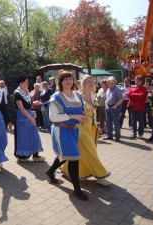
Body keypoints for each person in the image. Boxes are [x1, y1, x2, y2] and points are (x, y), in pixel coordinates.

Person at [46, 70, 88, 201]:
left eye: (70, 79)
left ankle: (50, 171)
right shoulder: (56, 97)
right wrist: (73, 116)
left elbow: (80, 110)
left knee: (65, 156)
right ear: (61, 82)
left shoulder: (77, 95)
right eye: (66, 79)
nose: (69, 81)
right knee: (74, 158)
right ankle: (77, 190)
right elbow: (52, 117)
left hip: (74, 130)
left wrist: (82, 116)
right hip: (62, 130)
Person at [62, 75, 111, 186]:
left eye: (92, 81)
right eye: (88, 81)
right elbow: (69, 110)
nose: (91, 83)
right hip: (80, 127)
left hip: (91, 127)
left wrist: (98, 125)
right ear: (83, 84)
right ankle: (100, 175)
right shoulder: (77, 96)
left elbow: (94, 113)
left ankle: (66, 169)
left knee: (83, 151)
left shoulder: (92, 96)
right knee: (90, 151)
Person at [14, 75, 45, 162]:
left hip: (29, 114)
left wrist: (34, 103)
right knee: (23, 136)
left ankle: (35, 155)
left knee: (33, 134)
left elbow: (28, 104)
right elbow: (21, 108)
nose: (28, 83)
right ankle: (22, 156)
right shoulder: (17, 93)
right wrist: (31, 118)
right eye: (26, 82)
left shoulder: (27, 91)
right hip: (22, 115)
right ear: (21, 83)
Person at [104, 76, 124, 142]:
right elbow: (106, 98)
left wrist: (115, 106)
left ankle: (117, 137)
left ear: (112, 83)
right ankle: (109, 136)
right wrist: (106, 104)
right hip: (108, 107)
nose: (107, 84)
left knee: (116, 123)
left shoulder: (117, 89)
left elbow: (121, 99)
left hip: (115, 107)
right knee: (108, 122)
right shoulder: (108, 89)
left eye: (108, 83)